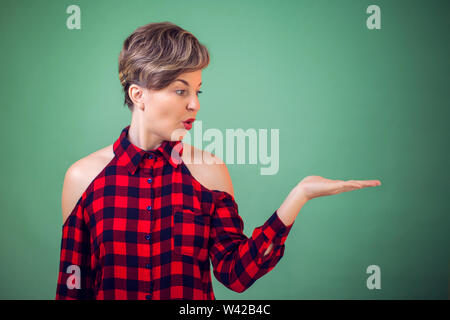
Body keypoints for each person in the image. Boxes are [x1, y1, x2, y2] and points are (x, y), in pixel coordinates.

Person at [55, 21, 381, 300]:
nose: (195, 104)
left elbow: (236, 274)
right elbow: (73, 290)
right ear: (138, 94)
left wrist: (299, 196)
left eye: (198, 91)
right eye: (181, 91)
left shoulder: (209, 172)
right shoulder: (83, 178)